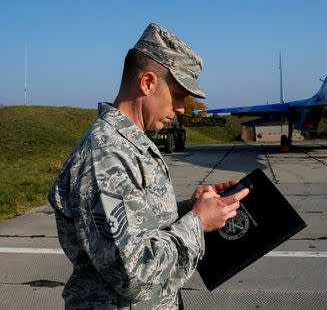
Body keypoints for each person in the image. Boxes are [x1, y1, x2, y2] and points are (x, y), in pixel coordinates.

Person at [48, 23, 249, 310]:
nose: (181, 108)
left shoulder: (128, 143)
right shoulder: (105, 155)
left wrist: (189, 209)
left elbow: (138, 224)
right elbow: (134, 273)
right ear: (148, 83)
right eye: (178, 95)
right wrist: (197, 223)